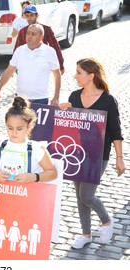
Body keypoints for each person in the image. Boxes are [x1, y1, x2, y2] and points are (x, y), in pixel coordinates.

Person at [59, 58, 126, 249]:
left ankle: (106, 220)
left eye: (79, 72)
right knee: (79, 195)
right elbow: (68, 126)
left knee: (87, 195)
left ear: (91, 76)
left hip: (98, 155)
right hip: (76, 153)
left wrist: (119, 159)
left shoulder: (108, 100)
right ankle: (86, 233)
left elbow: (116, 132)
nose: (75, 76)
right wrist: (64, 110)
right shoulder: (73, 96)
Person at [0, 96, 57, 186]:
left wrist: (34, 177)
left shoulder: (37, 148)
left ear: (29, 126)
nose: (14, 132)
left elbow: (52, 173)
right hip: (1, 194)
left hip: (27, 197)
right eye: (10, 128)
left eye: (19, 129)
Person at [0, 23, 61, 105]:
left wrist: (56, 97)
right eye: (28, 33)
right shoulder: (19, 50)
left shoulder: (49, 51)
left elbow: (57, 75)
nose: (29, 36)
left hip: (41, 99)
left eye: (33, 34)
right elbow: (9, 71)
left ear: (41, 37)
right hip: (20, 99)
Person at [14, 5, 65, 74]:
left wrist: (61, 65)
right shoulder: (22, 31)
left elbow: (55, 48)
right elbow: (17, 49)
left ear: (37, 15)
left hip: (42, 65)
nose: (29, 18)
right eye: (27, 16)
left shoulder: (47, 29)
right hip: (26, 65)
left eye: (31, 15)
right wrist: (14, 66)